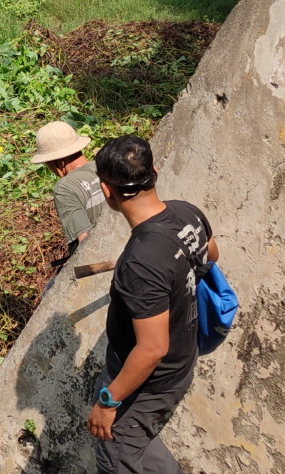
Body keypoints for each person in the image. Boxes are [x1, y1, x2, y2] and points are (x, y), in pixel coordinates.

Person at [87, 135, 219, 473]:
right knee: (137, 449)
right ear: (154, 172)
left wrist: (108, 400)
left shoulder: (141, 262)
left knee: (117, 456)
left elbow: (151, 349)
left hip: (149, 381)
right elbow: (210, 254)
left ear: (106, 191)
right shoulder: (186, 212)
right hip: (182, 358)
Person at [31, 121, 105, 255]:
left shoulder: (65, 188)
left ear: (60, 162)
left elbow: (86, 244)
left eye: (48, 165)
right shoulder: (106, 166)